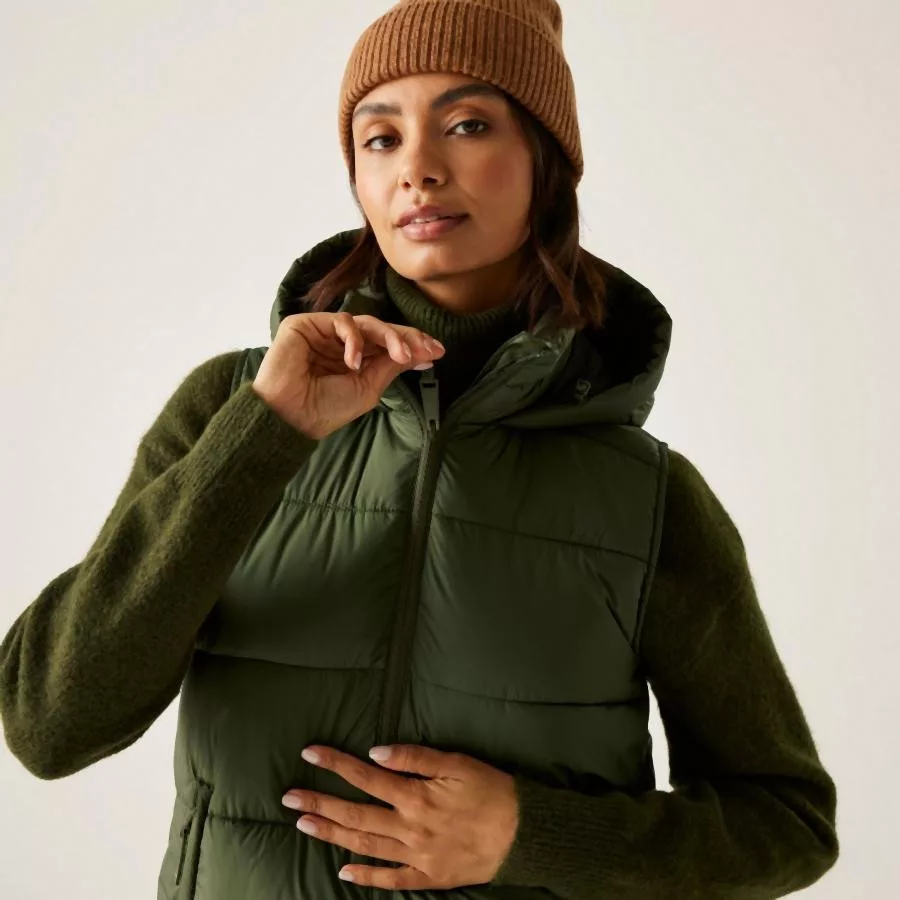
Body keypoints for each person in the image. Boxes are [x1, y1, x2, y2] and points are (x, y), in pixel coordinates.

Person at [0, 1, 839, 897]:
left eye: (468, 125)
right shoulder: (233, 410)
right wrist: (264, 435)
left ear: (547, 165)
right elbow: (50, 726)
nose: (418, 170)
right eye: (381, 139)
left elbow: (786, 825)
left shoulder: (649, 498)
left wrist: (532, 834)